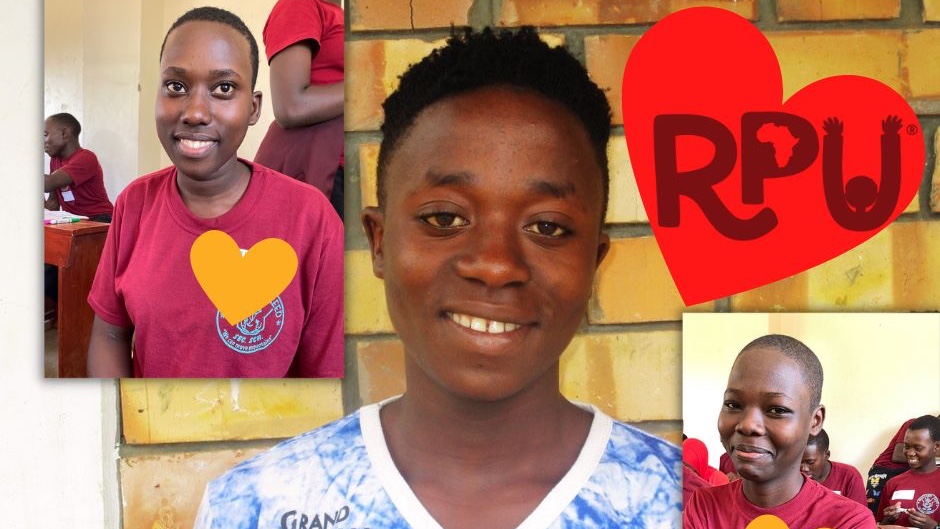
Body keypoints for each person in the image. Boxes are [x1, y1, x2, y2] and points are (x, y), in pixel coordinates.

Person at [195, 27, 681, 528]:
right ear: (379, 242)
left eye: (547, 227)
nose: (495, 265)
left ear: (593, 262)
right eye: (444, 219)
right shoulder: (257, 507)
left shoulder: (680, 504)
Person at [86, 7, 343, 378]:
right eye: (176, 86)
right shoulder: (134, 203)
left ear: (253, 109)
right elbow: (110, 332)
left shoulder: (311, 218)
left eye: (224, 88)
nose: (195, 112)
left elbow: (327, 376)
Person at [683, 334, 876, 528]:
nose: (748, 425)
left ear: (815, 421)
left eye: (777, 410)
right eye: (733, 405)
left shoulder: (850, 521)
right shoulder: (704, 507)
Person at [254, 0, 344, 218]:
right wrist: (370, 86)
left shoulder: (342, 15)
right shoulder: (299, 5)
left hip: (344, 167)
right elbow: (291, 106)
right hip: (318, 170)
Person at [43, 112, 114, 222]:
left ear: (64, 133)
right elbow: (53, 203)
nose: (43, 141)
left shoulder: (86, 158)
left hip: (100, 219)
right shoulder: (55, 160)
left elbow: (48, 183)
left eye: (45, 135)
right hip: (75, 220)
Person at [876, 415, 940, 528]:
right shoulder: (893, 483)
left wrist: (934, 526)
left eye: (918, 448)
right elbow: (880, 525)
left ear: (936, 447)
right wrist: (888, 520)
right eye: (906, 446)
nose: (910, 453)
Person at [800, 429, 867, 506]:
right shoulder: (789, 476)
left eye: (810, 462)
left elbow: (860, 515)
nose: (803, 468)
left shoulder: (849, 476)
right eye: (797, 462)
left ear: (827, 455)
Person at [865, 417, 917, 515]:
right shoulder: (916, 423)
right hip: (885, 470)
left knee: (897, 512)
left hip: (907, 473)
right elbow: (897, 455)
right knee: (873, 514)